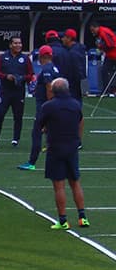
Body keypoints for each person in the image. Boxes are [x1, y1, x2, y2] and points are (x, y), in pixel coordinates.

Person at [37, 79, 89, 229]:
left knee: (59, 186)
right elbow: (81, 121)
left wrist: (46, 129)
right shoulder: (75, 104)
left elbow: (41, 125)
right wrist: (78, 139)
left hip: (55, 148)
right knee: (75, 182)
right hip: (72, 147)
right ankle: (82, 217)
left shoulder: (48, 106)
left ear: (53, 90)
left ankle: (63, 220)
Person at [19, 46, 61, 171]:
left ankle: (32, 162)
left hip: (44, 108)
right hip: (53, 105)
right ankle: (57, 162)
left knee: (37, 133)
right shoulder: (55, 68)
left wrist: (49, 107)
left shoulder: (47, 69)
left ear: (42, 57)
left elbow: (49, 88)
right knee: (52, 135)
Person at [0, 37, 33, 149]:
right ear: (10, 45)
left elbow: (31, 74)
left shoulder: (25, 58)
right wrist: (6, 77)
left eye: (20, 43)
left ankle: (15, 139)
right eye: (15, 43)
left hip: (19, 92)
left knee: (18, 116)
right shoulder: (3, 57)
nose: (18, 45)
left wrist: (22, 78)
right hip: (5, 91)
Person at [89, 19, 116, 96]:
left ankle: (108, 90)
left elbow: (111, 44)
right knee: (104, 71)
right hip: (110, 55)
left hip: (113, 55)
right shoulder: (101, 33)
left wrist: (101, 46)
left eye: (93, 30)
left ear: (96, 27)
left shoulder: (103, 32)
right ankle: (107, 90)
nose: (92, 32)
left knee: (105, 71)